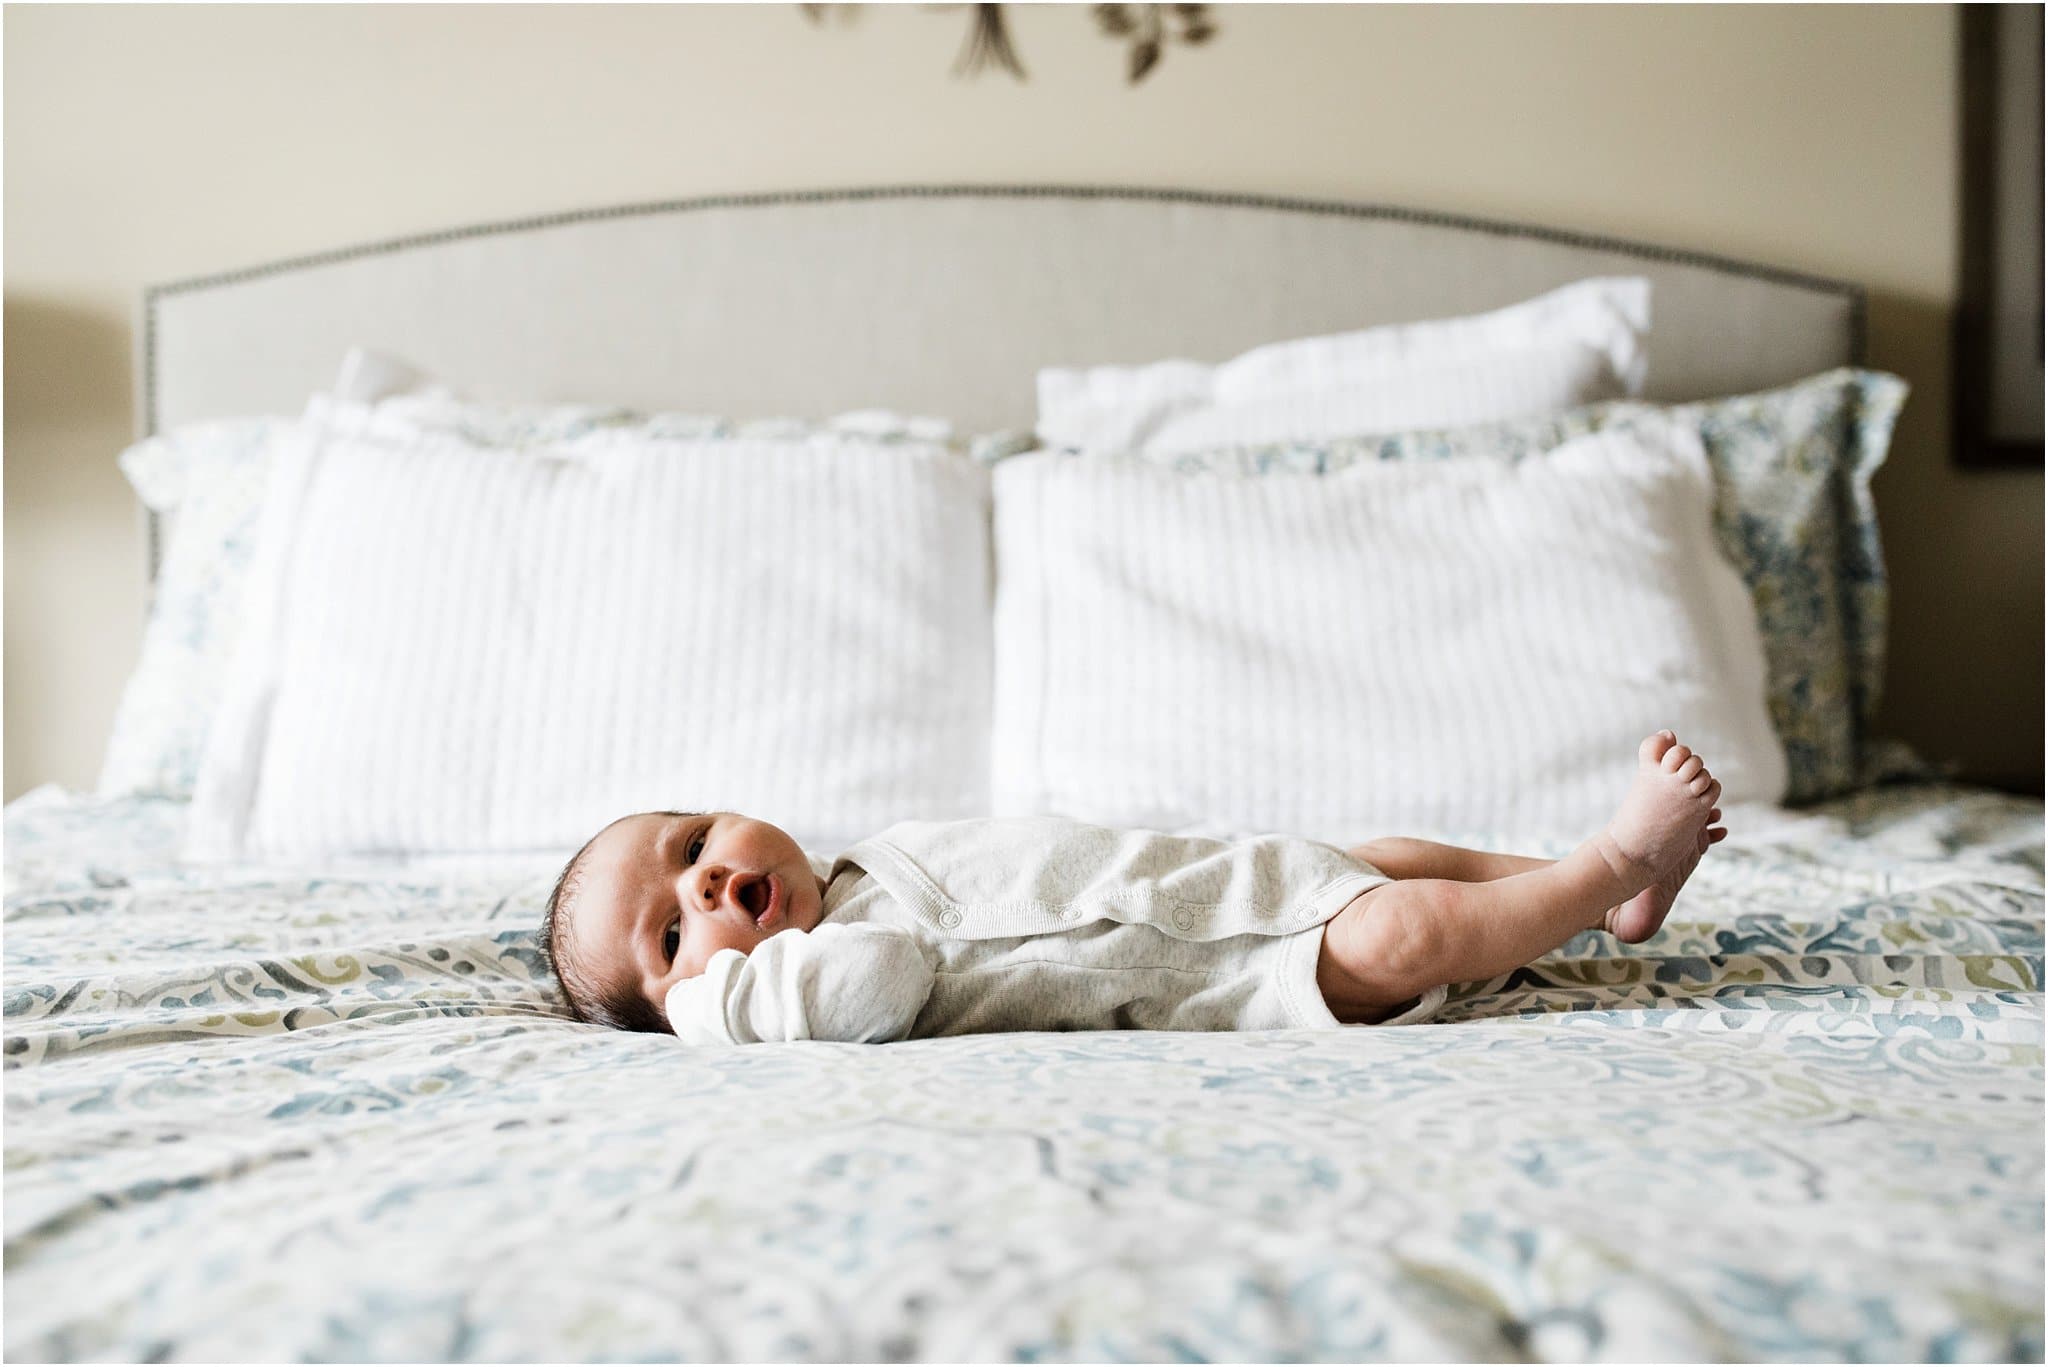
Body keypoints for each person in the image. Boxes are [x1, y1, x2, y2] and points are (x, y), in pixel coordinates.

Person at [539, 731, 1724, 1044]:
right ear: (680, 1003)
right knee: (1407, 928)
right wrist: (715, 1005)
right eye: (670, 928)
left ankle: (1606, 903)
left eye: (694, 841)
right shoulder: (827, 972)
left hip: (1234, 877)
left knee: (1396, 856)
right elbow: (884, 976)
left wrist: (682, 958)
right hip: (1237, 974)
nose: (709, 881)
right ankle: (1610, 864)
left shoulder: (869, 859)